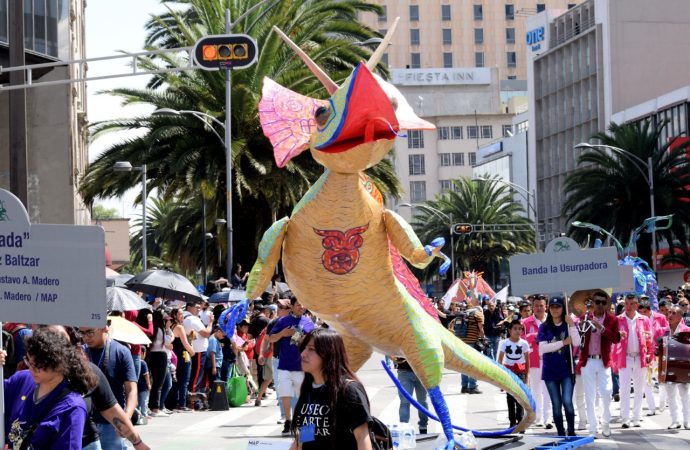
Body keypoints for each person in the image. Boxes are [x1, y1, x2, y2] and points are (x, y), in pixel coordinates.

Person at [3, 328, 95, 450]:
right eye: (29, 361)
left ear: (59, 365)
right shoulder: (21, 379)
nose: (31, 369)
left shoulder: (73, 408)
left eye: (38, 366)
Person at [289, 328, 373, 450]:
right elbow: (307, 433)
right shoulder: (309, 389)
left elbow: (362, 437)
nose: (303, 354)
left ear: (328, 353)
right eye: (304, 348)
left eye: (311, 349)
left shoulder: (349, 390)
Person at [80, 322, 138, 450]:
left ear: (104, 328)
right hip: (85, 425)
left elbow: (132, 390)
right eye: (82, 333)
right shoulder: (79, 354)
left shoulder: (121, 351)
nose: (86, 337)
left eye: (90, 332)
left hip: (111, 424)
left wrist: (126, 418)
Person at [576, 289, 620, 438]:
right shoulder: (585, 317)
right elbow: (578, 337)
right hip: (587, 360)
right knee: (589, 395)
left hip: (603, 361)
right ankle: (593, 428)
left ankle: (605, 422)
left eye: (603, 302)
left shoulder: (612, 319)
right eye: (597, 302)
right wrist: (583, 324)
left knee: (607, 392)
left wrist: (600, 327)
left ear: (607, 304)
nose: (600, 305)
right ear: (592, 303)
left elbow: (616, 338)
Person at [270, 295, 315, 435]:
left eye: (303, 305)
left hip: (302, 367)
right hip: (284, 364)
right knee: (285, 394)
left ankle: (304, 425)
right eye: (298, 305)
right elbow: (271, 338)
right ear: (292, 306)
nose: (301, 307)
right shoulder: (283, 321)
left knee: (304, 397)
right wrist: (283, 333)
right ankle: (288, 421)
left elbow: (315, 343)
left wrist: (303, 339)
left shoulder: (309, 323)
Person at [538, 296, 581, 437]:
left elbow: (576, 343)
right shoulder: (544, 327)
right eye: (552, 307)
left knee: (567, 401)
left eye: (558, 307)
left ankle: (571, 431)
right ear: (549, 309)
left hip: (567, 370)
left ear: (563, 309)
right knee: (556, 405)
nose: (555, 310)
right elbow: (542, 349)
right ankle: (561, 433)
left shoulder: (569, 324)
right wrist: (562, 343)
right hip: (550, 371)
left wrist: (573, 326)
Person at [615, 294, 654, 429]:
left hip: (640, 357)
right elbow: (614, 341)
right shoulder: (618, 319)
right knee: (624, 389)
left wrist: (650, 356)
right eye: (626, 303)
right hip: (624, 357)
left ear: (637, 305)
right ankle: (625, 418)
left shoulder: (644, 319)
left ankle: (636, 417)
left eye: (632, 304)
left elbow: (649, 339)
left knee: (639, 389)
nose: (629, 306)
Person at [521, 294, 553, 429]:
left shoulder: (552, 321)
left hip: (550, 360)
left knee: (549, 391)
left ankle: (548, 418)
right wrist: (532, 338)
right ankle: (538, 417)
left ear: (546, 307)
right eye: (536, 306)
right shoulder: (526, 323)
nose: (539, 308)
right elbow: (521, 341)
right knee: (536, 391)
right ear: (532, 307)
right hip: (534, 361)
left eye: (541, 306)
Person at [498, 320, 530, 429]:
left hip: (520, 371)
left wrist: (527, 376)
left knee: (520, 397)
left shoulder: (524, 343)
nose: (517, 331)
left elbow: (527, 361)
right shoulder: (504, 343)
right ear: (510, 330)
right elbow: (500, 360)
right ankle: (512, 422)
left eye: (520, 328)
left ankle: (520, 420)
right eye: (515, 328)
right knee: (510, 397)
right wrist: (500, 378)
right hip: (508, 372)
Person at [448, 296, 484, 394]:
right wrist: (483, 338)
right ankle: (472, 387)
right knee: (473, 365)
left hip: (461, 342)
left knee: (464, 364)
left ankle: (464, 386)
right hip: (472, 342)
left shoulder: (463, 314)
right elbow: (481, 329)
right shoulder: (478, 314)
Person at [183, 301, 213, 403]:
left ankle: (192, 400)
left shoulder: (186, 318)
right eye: (196, 306)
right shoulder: (192, 319)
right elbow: (206, 333)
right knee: (196, 377)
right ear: (189, 307)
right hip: (198, 351)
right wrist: (210, 323)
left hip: (193, 350)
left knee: (193, 376)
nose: (199, 308)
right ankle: (193, 402)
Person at [666, 305, 690, 429]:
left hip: (683, 367)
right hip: (667, 366)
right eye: (669, 312)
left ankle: (687, 420)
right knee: (670, 394)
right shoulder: (664, 330)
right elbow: (656, 346)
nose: (670, 315)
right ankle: (675, 420)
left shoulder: (687, 330)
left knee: (684, 393)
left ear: (680, 316)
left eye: (673, 313)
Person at [147, 310, 172, 417]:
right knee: (158, 383)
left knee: (154, 382)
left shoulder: (152, 329)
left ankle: (152, 406)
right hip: (160, 356)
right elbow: (168, 341)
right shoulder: (160, 330)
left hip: (151, 355)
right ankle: (155, 408)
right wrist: (168, 329)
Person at [395, 357, 429, 434]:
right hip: (420, 371)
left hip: (406, 371)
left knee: (405, 402)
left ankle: (404, 427)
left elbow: (390, 350)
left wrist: (393, 358)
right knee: (422, 402)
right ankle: (423, 426)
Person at [170, 307, 195, 412]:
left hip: (174, 356)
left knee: (176, 381)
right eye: (180, 314)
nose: (182, 316)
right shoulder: (179, 327)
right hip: (183, 355)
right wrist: (192, 352)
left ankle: (174, 403)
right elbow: (185, 344)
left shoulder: (171, 326)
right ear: (175, 315)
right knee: (184, 381)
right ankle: (182, 404)